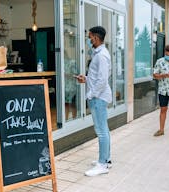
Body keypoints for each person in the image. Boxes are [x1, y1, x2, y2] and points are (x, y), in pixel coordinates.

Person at [76, 26, 112, 176]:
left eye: (90, 37)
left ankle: (102, 164)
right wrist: (86, 79)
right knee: (104, 129)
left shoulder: (101, 55)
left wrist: (91, 94)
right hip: (98, 96)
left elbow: (103, 80)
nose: (88, 39)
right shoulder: (98, 53)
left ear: (96, 38)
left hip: (99, 98)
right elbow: (97, 77)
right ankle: (106, 160)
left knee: (101, 131)